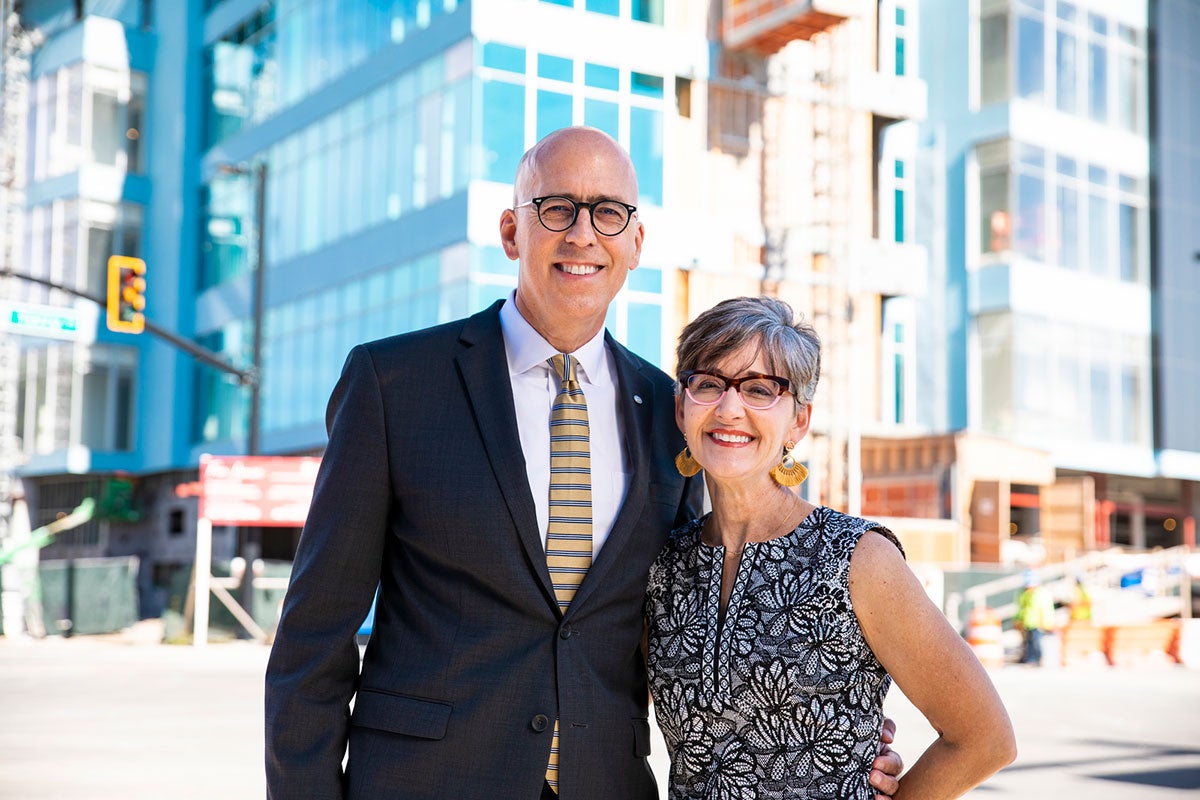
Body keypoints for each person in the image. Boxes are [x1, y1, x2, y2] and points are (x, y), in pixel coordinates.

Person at [264, 128, 902, 800]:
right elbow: (314, 638)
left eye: (607, 213)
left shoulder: (671, 410)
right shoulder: (394, 383)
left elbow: (685, 625)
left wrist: (840, 743)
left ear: (635, 243)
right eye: (557, 209)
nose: (582, 235)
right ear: (513, 231)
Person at [646, 296, 1016, 799]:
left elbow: (985, 738)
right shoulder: (664, 568)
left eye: (760, 389)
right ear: (681, 406)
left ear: (799, 421)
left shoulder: (857, 558)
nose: (729, 408)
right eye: (708, 384)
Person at [1015, 571, 1056, 666]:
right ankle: (1030, 660)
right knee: (1028, 643)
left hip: (1038, 623)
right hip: (1027, 622)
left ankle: (1036, 660)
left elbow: (1045, 609)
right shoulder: (1024, 594)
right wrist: (1018, 620)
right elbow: (1021, 608)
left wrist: (1047, 623)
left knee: (1036, 642)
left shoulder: (1041, 594)